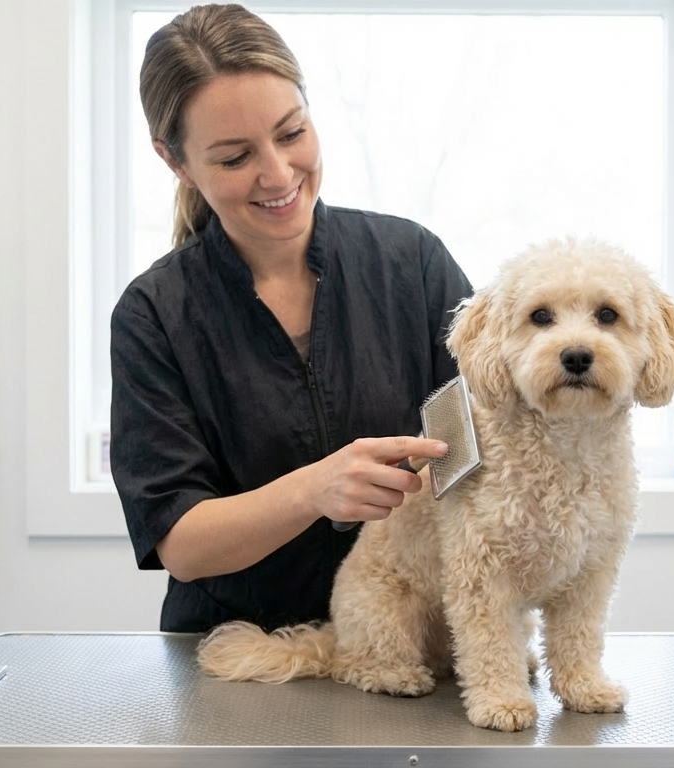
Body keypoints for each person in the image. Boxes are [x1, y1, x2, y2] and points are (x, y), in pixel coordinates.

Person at [111, 4, 473, 633]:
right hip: (235, 658)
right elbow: (183, 542)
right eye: (233, 157)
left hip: (413, 645)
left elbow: (483, 438)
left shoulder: (412, 263)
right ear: (175, 161)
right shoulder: (155, 315)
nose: (278, 174)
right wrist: (313, 490)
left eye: (291, 132)